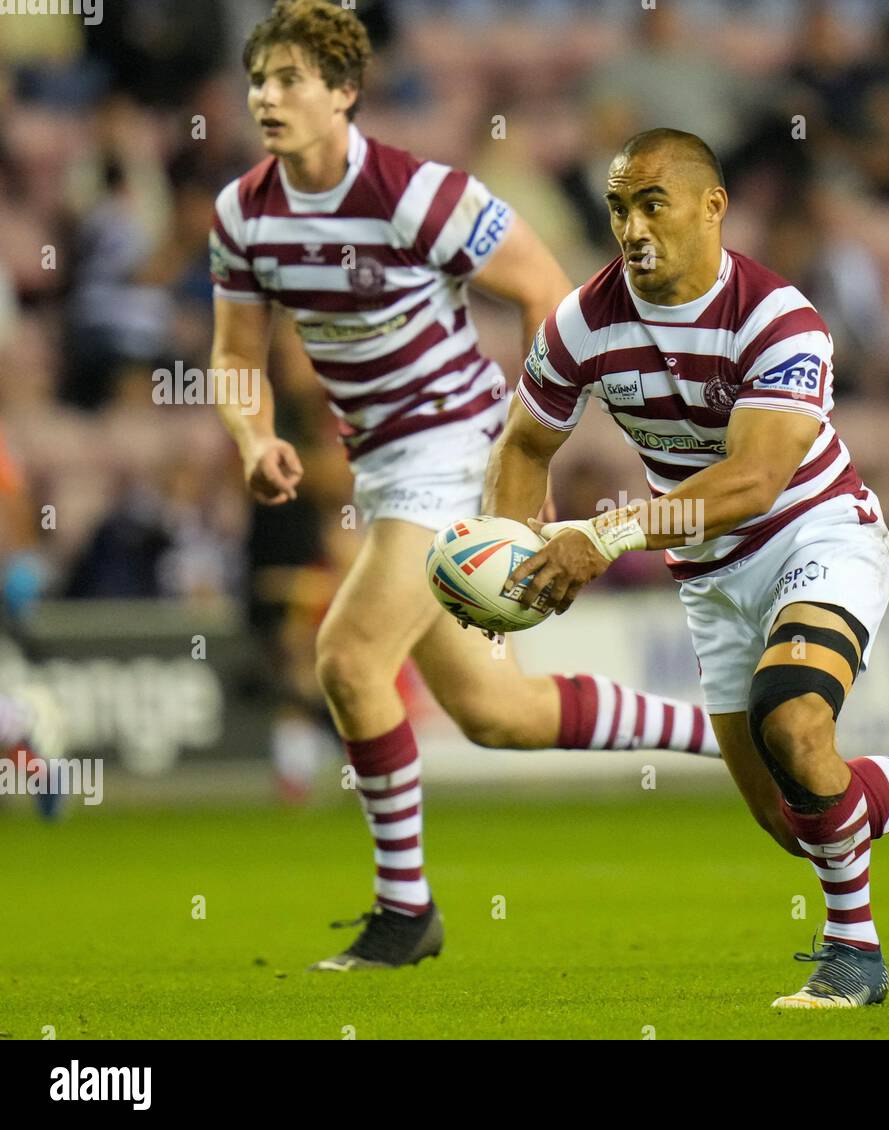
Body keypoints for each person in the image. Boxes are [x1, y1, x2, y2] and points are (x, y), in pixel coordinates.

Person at [483, 128, 889, 1009]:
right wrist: (509, 559)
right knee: (793, 818)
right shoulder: (581, 321)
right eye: (618, 207)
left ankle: (855, 960)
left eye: (652, 203)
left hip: (816, 536)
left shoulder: (780, 319)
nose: (632, 227)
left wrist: (604, 537)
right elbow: (527, 441)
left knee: (795, 721)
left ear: (712, 207)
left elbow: (755, 479)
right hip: (710, 579)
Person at [209, 2, 720, 974]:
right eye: (258, 80)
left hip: (455, 448)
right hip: (382, 464)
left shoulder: (416, 194)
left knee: (350, 659)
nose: (266, 98)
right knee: (496, 710)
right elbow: (235, 353)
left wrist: (532, 458)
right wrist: (252, 431)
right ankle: (727, 729)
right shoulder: (246, 214)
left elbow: (544, 290)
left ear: (344, 92)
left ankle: (406, 912)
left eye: (289, 80)